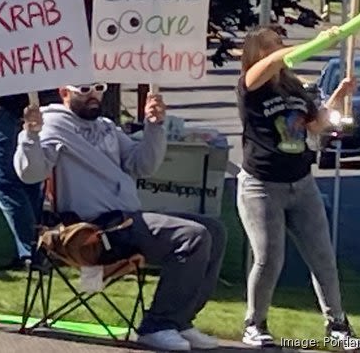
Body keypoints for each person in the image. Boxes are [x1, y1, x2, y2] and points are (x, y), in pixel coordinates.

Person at [16, 83, 226, 352]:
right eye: (83, 89)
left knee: (215, 230)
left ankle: (180, 320)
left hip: (125, 220)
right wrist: (30, 135)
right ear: (64, 93)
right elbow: (30, 173)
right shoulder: (51, 125)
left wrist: (154, 126)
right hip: (92, 231)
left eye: (98, 88)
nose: (93, 94)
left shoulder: (106, 126)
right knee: (192, 236)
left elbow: (143, 165)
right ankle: (157, 325)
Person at [236, 27, 360, 349]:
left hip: (301, 182)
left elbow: (316, 124)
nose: (282, 49)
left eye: (280, 43)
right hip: (261, 185)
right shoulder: (251, 85)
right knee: (268, 257)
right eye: (272, 45)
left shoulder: (294, 88)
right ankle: (255, 323)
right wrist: (315, 42)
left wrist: (340, 95)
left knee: (322, 255)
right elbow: (267, 67)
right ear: (257, 53)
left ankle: (338, 325)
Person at [0, 89, 61, 270]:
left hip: (10, 108)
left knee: (6, 183)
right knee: (30, 180)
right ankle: (37, 248)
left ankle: (31, 253)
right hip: (42, 106)